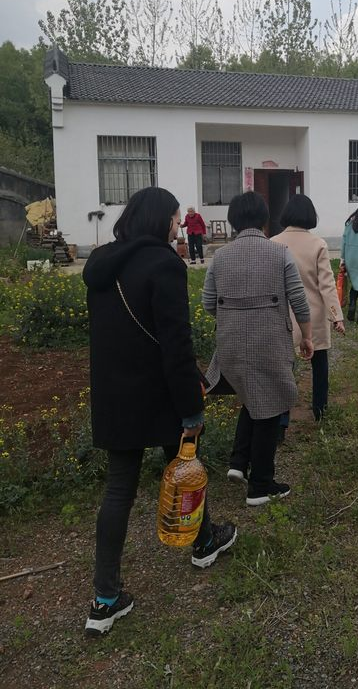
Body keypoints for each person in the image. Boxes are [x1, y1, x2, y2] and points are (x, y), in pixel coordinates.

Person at [82, 187, 236, 637]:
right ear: (159, 221)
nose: (178, 225)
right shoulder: (164, 264)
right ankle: (203, 543)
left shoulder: (100, 263)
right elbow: (175, 343)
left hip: (115, 396)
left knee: (118, 490)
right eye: (174, 218)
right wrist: (192, 406)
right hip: (161, 392)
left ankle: (104, 599)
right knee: (185, 464)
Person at [202, 191, 314, 506]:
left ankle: (238, 462)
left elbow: (208, 303)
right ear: (265, 219)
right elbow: (299, 300)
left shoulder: (220, 257)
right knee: (271, 407)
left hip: (231, 345)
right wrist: (307, 337)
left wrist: (235, 318)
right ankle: (261, 486)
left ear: (232, 221)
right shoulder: (280, 253)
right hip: (270, 343)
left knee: (253, 398)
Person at [272, 195, 345, 437]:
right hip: (313, 316)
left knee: (283, 370)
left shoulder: (273, 243)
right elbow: (327, 285)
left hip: (282, 315)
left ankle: (281, 421)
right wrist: (336, 316)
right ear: (311, 216)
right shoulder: (318, 244)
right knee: (320, 365)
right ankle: (320, 411)